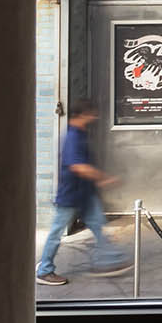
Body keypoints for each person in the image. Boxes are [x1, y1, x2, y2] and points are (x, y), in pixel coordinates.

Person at [36, 101, 126, 286]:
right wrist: (103, 178)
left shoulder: (80, 134)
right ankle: (44, 270)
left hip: (84, 192)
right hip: (71, 194)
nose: (95, 117)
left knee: (97, 225)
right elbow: (78, 166)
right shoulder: (73, 137)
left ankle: (110, 261)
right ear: (82, 115)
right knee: (56, 232)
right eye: (92, 114)